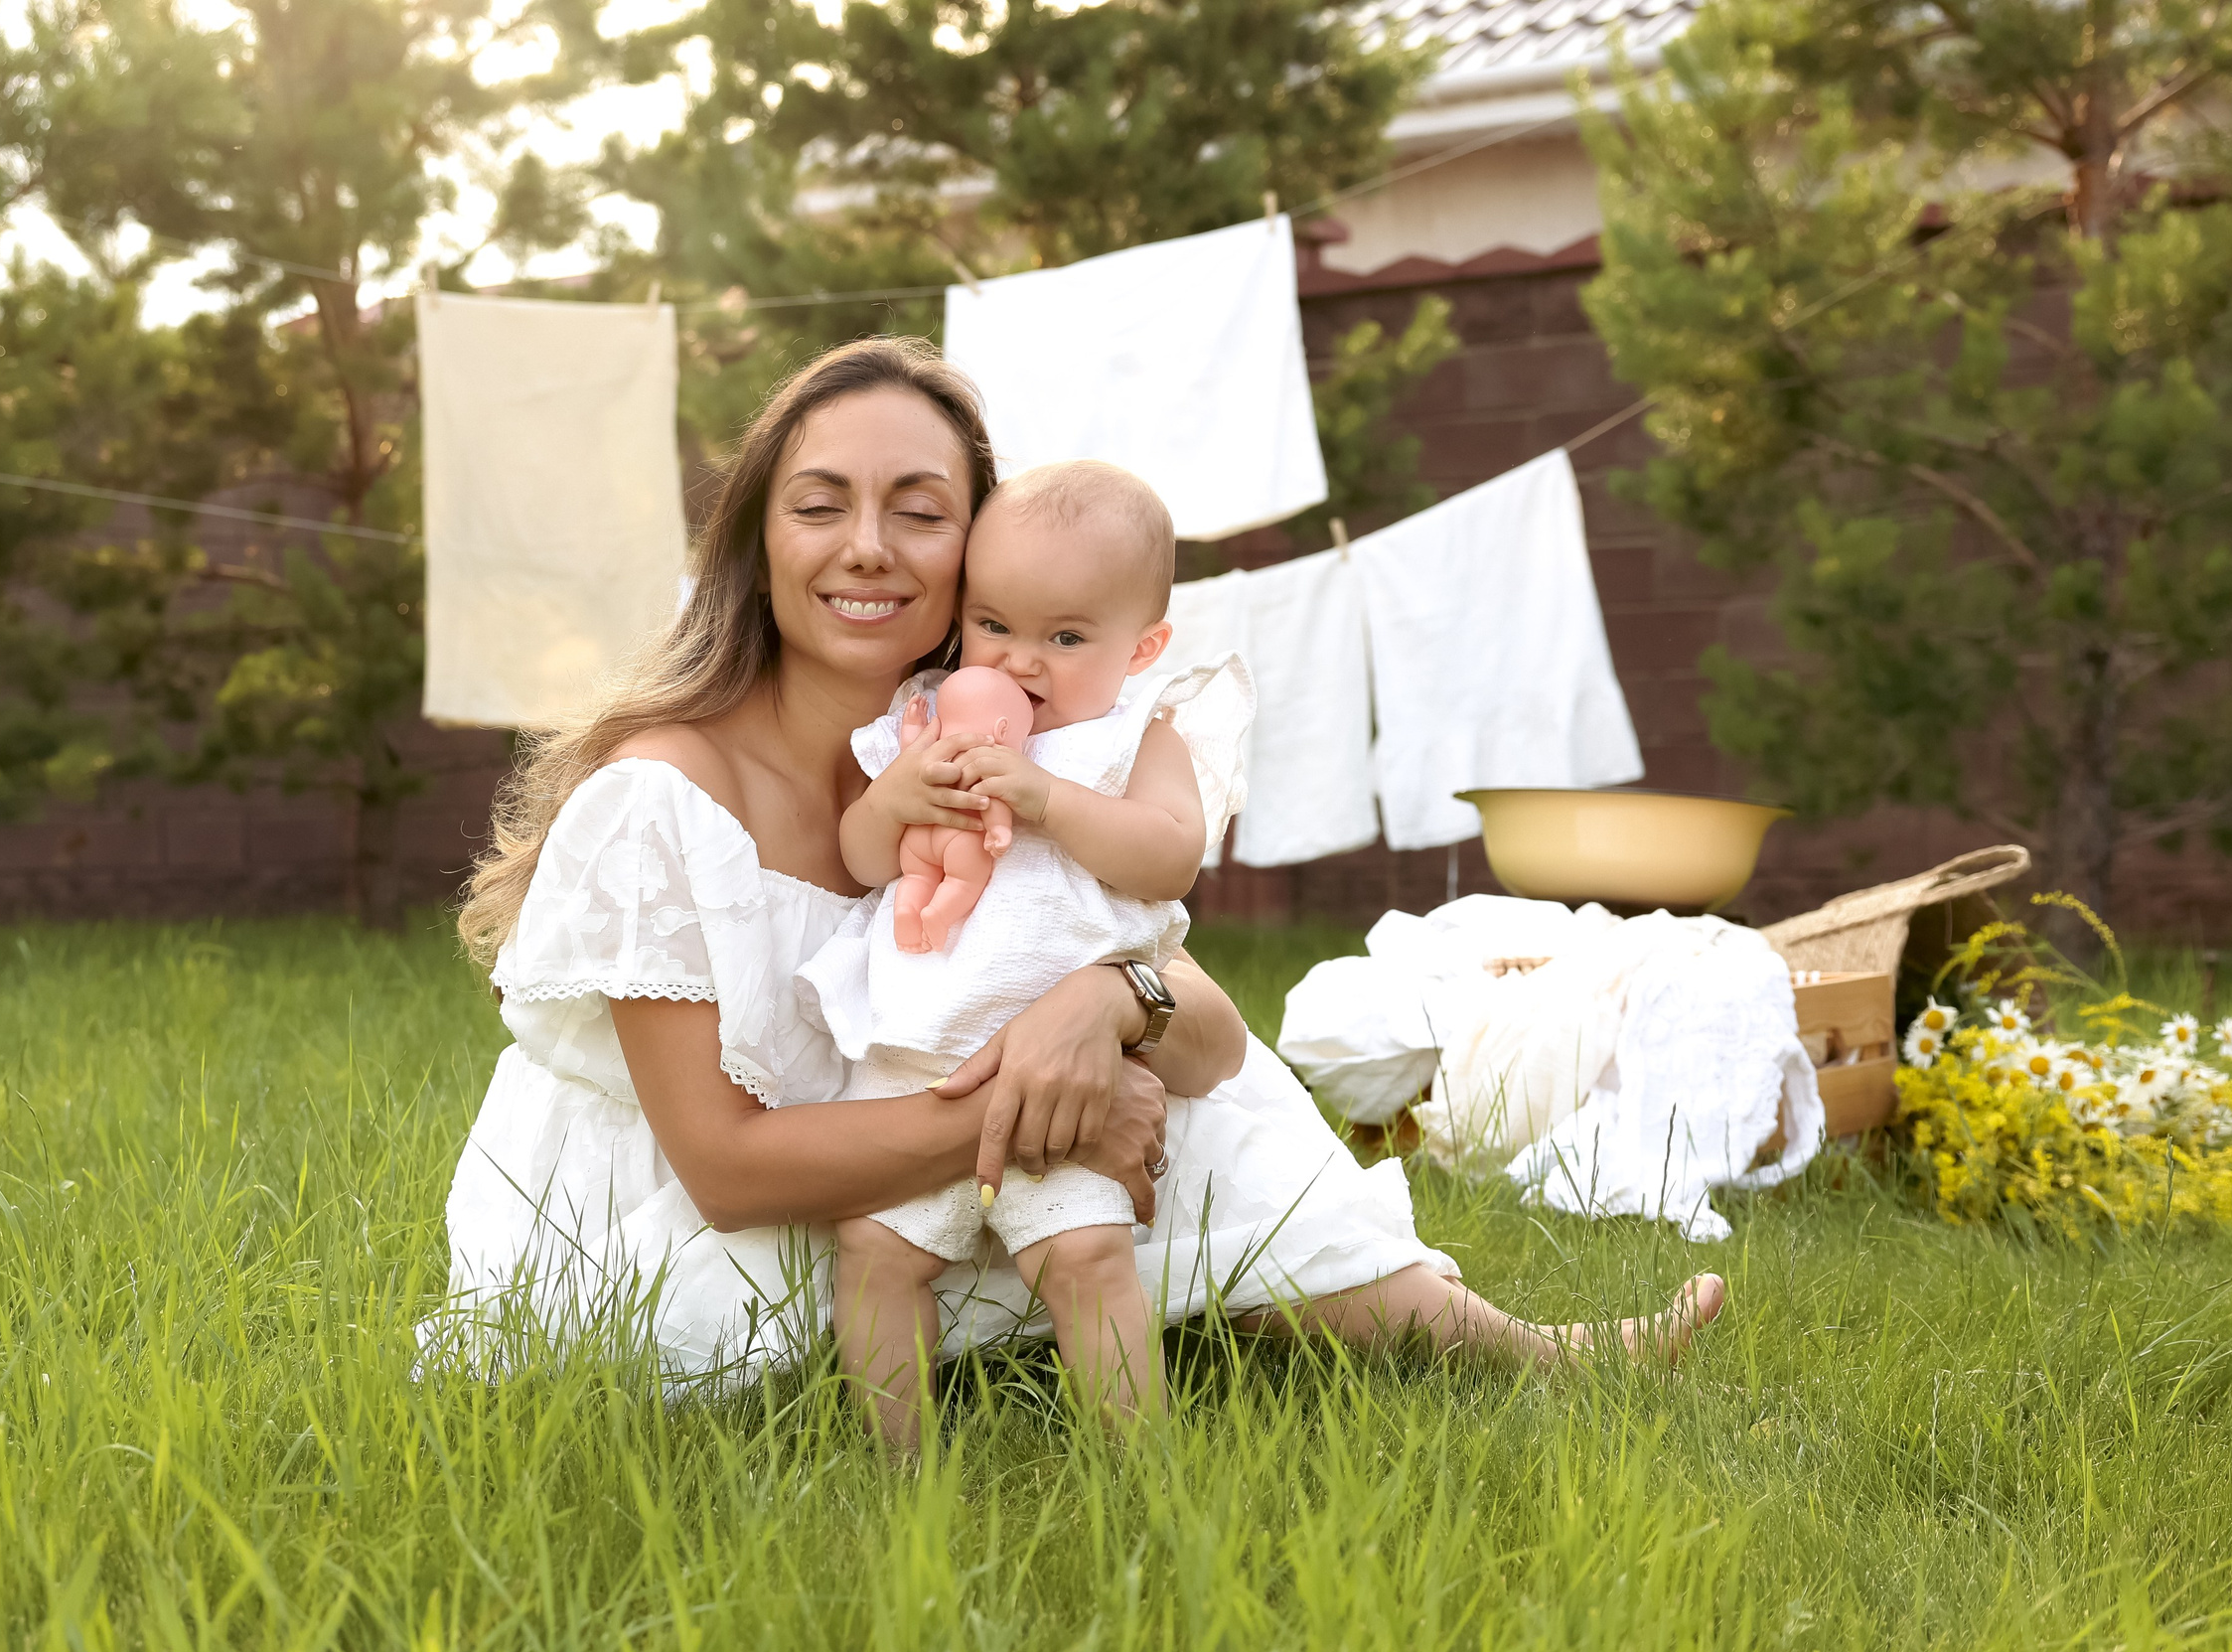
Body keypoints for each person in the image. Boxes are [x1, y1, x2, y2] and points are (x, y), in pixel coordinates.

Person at [435, 335, 1725, 1416]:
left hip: (907, 1150)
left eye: (921, 510)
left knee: (1193, 1104)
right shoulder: (668, 792)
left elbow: (1215, 1041)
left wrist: (1104, 1008)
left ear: (980, 555)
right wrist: (1065, 1112)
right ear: (756, 538)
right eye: (820, 502)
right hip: (691, 1228)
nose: (869, 546)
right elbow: (724, 1166)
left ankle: (1514, 1350)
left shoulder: (1009, 750)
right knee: (1087, 1136)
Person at [809, 459, 1248, 1443]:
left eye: (1064, 637)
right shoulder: (929, 721)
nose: (1019, 663)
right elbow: (860, 856)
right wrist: (896, 801)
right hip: (914, 1056)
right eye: (996, 625)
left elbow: (1169, 856)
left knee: (1085, 1262)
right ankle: (895, 1473)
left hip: (1067, 1077)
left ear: (1143, 647)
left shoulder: (1135, 735)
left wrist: (1047, 799)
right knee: (875, 1253)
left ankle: (1141, 1465)